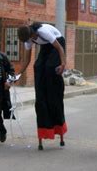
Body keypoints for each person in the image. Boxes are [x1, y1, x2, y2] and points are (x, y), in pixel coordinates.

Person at [17, 22, 67, 150]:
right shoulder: (28, 40)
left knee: (50, 67)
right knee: (38, 66)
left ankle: (53, 88)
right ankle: (45, 124)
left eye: (32, 38)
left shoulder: (44, 31)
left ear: (33, 33)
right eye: (29, 40)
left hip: (57, 44)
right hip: (46, 48)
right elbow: (27, 60)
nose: (31, 41)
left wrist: (62, 65)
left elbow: (60, 48)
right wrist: (18, 74)